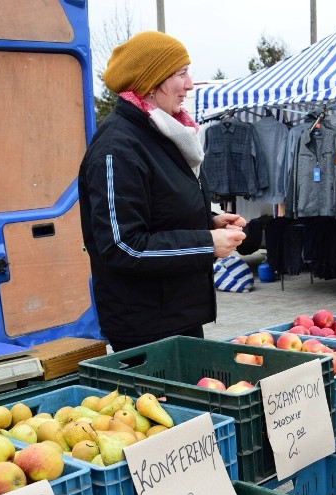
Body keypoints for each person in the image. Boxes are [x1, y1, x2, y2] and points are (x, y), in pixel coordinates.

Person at [78, 31, 246, 352]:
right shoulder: (117, 147)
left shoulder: (164, 133)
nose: (190, 85)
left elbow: (161, 203)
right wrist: (205, 244)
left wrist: (209, 220)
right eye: (181, 74)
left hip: (177, 312)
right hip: (145, 324)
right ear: (151, 83)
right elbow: (122, 245)